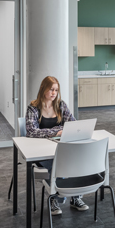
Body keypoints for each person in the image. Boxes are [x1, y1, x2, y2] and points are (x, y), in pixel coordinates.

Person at [25, 76, 87, 215]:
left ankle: (75, 197)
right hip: (40, 151)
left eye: (56, 90)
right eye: (51, 89)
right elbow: (31, 131)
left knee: (74, 158)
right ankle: (54, 197)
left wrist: (62, 132)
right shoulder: (33, 108)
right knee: (56, 161)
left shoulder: (61, 105)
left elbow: (73, 124)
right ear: (43, 89)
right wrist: (56, 131)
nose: (54, 93)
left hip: (60, 145)